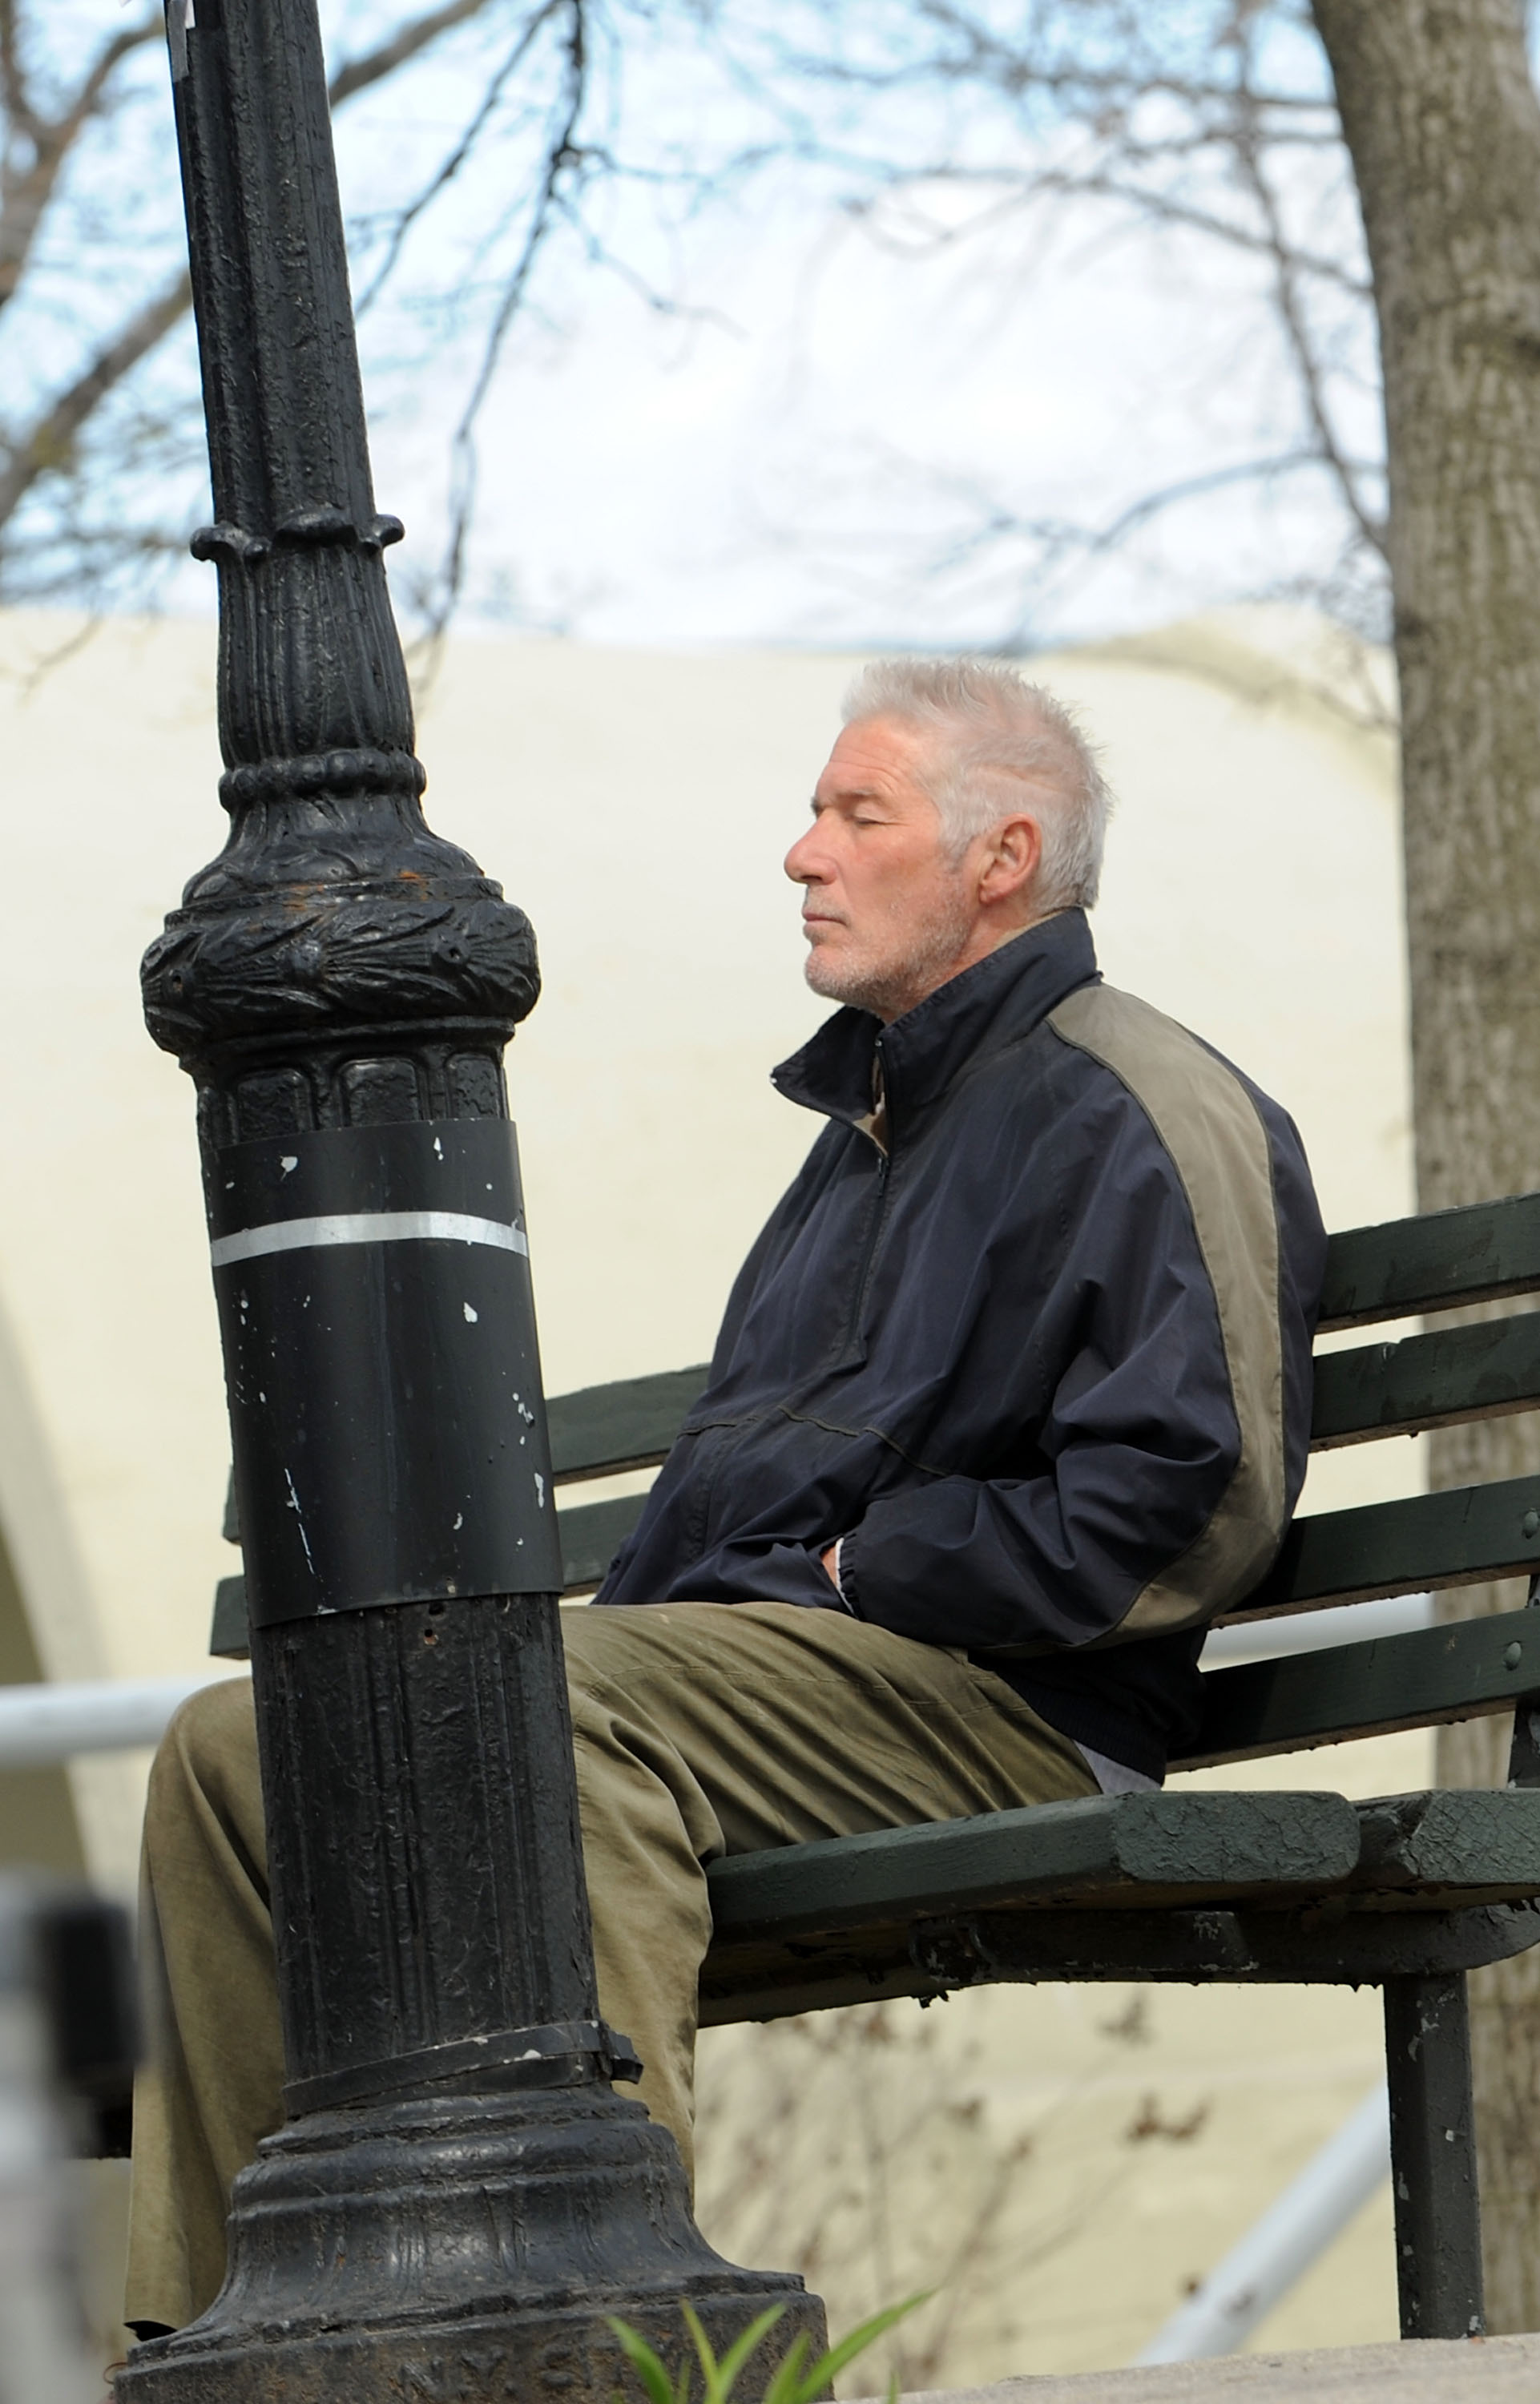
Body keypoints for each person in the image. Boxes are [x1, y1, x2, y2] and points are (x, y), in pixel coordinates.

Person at [124, 656, 1326, 2335]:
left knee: (534, 1716)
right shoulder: (869, 1130)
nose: (801, 854)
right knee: (244, 1748)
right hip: (779, 1678)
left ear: (1002, 857)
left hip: (1004, 1700)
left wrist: (882, 1559)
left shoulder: (1134, 1100)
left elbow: (1196, 1509)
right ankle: (222, 2336)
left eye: (857, 814)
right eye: (814, 813)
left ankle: (602, 2332)